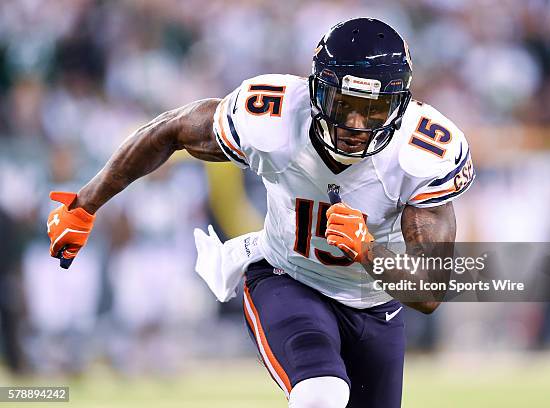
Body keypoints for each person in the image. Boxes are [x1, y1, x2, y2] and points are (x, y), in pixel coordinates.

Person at [46, 18, 474, 408]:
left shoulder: (421, 153)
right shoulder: (276, 115)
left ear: (398, 106)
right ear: (318, 90)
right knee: (321, 393)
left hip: (376, 306)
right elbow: (169, 130)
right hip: (288, 277)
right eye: (345, 104)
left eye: (375, 110)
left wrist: (367, 251)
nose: (357, 124)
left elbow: (430, 291)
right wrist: (84, 205)